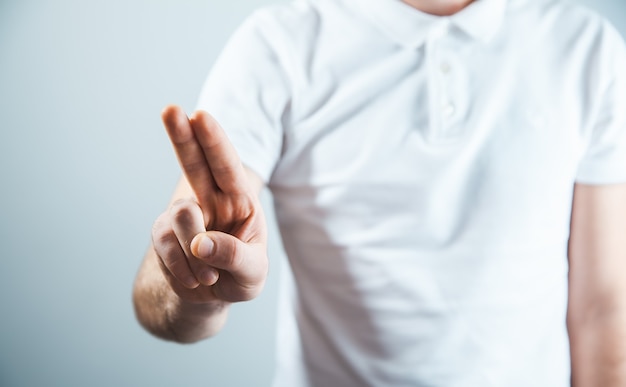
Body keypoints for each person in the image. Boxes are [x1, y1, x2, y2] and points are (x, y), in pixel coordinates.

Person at [133, 0, 626, 385]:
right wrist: (196, 288)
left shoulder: (588, 49)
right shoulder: (278, 46)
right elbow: (162, 292)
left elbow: (603, 308)